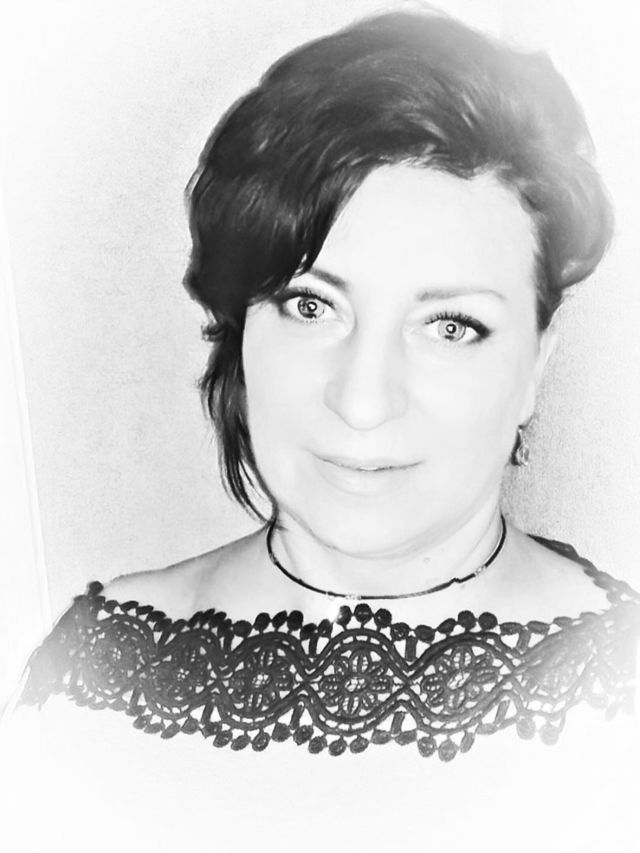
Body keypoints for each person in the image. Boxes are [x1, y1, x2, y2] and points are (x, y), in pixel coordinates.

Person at [2, 7, 638, 852]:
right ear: (243, 332)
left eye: (451, 325)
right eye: (311, 306)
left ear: (534, 366)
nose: (363, 401)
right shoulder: (93, 679)